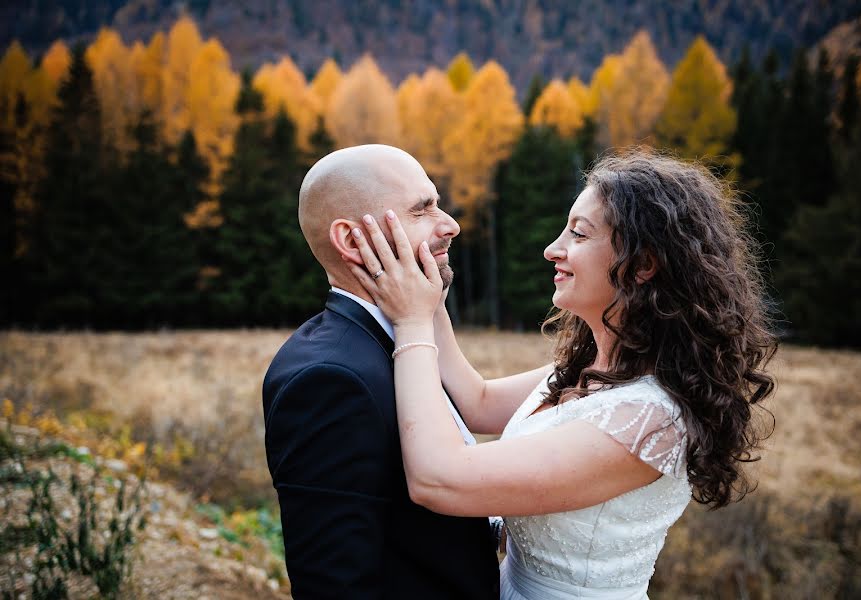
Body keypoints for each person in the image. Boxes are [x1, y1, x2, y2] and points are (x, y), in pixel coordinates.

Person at [346, 150, 777, 599]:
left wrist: (412, 323)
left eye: (579, 234)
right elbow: (477, 402)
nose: (553, 249)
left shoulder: (650, 418)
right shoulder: (594, 370)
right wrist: (428, 293)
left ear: (644, 264)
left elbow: (439, 479)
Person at [262, 145, 500, 598]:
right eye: (422, 210)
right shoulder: (330, 379)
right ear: (352, 241)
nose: (451, 225)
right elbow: (334, 585)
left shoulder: (404, 339)